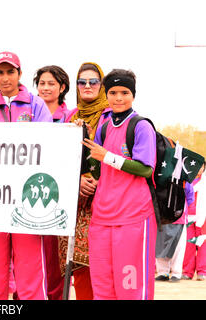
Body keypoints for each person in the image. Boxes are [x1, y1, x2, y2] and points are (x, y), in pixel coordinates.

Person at [0, 51, 52, 300]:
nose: (5, 77)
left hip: (29, 201)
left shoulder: (36, 105)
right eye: (0, 72)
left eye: (10, 72)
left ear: (20, 74)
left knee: (30, 273)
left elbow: (49, 147)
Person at [82, 68, 157, 300]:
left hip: (134, 216)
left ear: (133, 94)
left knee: (130, 289)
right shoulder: (104, 127)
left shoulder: (141, 125)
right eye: (113, 92)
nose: (119, 98)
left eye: (125, 92)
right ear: (106, 94)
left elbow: (146, 168)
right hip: (102, 217)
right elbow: (96, 165)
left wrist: (109, 157)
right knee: (103, 289)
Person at [59, 62, 111, 300]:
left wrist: (97, 180)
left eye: (93, 81)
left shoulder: (112, 115)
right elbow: (59, 157)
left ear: (102, 85)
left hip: (105, 199)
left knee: (104, 269)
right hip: (77, 201)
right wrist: (78, 179)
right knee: (79, 271)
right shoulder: (71, 116)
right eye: (82, 82)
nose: (87, 86)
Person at [33, 65, 71, 300]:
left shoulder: (70, 117)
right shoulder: (27, 112)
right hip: (30, 191)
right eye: (42, 83)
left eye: (51, 84)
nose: (46, 88)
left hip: (59, 194)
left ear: (62, 88)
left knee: (55, 258)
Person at [155, 182, 195, 282]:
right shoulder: (161, 174)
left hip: (179, 218)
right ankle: (163, 272)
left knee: (178, 247)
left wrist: (188, 212)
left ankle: (176, 273)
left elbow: (190, 196)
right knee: (160, 245)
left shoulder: (184, 178)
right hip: (162, 216)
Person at [183, 163, 206, 280]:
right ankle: (187, 272)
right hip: (189, 217)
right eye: (198, 166)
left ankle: (202, 271)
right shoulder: (188, 180)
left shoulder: (205, 181)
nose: (199, 168)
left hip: (203, 216)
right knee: (188, 244)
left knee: (202, 244)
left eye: (202, 166)